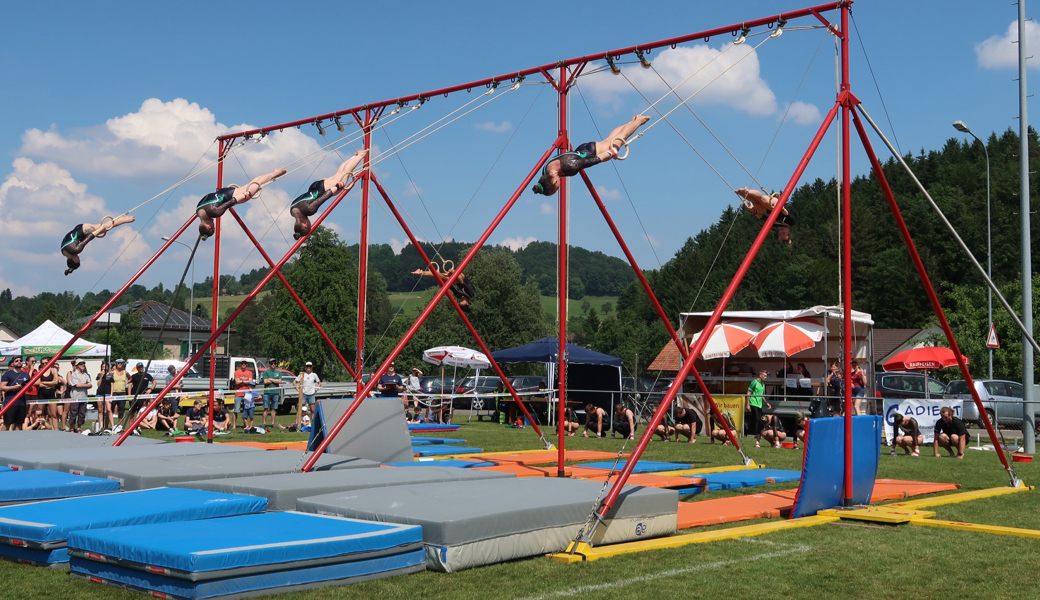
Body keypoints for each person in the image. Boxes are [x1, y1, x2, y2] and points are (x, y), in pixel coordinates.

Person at [532, 115, 651, 196]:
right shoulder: (545, 173)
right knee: (609, 139)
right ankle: (631, 123)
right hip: (581, 151)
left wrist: (611, 153)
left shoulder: (570, 166)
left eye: (557, 188)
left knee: (618, 140)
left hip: (590, 153)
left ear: (554, 182)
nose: (559, 186)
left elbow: (595, 160)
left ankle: (638, 121)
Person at [291, 150, 368, 239]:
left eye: (309, 224)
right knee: (339, 173)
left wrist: (338, 186)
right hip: (314, 186)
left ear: (305, 225)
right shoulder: (292, 211)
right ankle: (354, 157)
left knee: (345, 173)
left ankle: (360, 155)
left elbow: (325, 196)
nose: (309, 222)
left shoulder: (309, 210)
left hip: (323, 190)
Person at [196, 168, 287, 240]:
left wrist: (246, 195)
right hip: (222, 192)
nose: (214, 224)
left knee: (255, 186)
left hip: (230, 195)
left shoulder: (214, 212)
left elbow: (232, 201)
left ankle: (275, 173)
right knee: (252, 184)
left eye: (213, 226)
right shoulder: (198, 211)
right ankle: (273, 173)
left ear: (208, 227)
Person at [60, 215, 137, 275]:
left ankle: (126, 219)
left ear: (75, 261)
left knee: (107, 227)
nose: (79, 258)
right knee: (106, 227)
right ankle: (123, 219)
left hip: (84, 230)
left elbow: (90, 237)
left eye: (79, 260)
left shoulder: (75, 250)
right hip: (79, 229)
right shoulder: (64, 252)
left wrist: (101, 229)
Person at [412, 265, 477, 312]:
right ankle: (421, 273)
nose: (461, 299)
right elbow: (462, 282)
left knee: (438, 276)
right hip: (461, 277)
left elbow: (449, 286)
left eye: (460, 301)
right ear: (467, 303)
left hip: (455, 280)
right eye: (462, 301)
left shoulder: (458, 295)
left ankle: (421, 272)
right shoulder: (471, 293)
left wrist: (439, 281)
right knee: (443, 277)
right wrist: (454, 272)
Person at [0, 357, 31, 431]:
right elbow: (1, 387)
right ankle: (3, 436)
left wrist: (27, 387)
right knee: (7, 423)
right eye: (16, 361)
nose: (19, 362)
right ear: (13, 363)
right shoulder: (8, 374)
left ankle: (17, 437)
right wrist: (14, 387)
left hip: (21, 402)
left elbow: (30, 389)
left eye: (20, 360)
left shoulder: (26, 375)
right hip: (10, 402)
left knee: (19, 423)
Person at [36, 357, 63, 431]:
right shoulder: (40, 371)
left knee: (53, 414)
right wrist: (50, 384)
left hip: (51, 393)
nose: (45, 364)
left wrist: (44, 382)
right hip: (42, 393)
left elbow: (55, 382)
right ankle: (41, 428)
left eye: (46, 363)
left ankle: (56, 430)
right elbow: (38, 383)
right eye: (43, 363)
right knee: (40, 413)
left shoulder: (53, 370)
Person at [746, 370, 771, 447]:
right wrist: (748, 404)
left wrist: (766, 403)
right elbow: (749, 392)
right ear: (760, 375)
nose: (766, 377)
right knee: (757, 419)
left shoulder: (763, 383)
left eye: (766, 376)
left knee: (761, 419)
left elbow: (761, 394)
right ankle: (757, 435)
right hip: (753, 403)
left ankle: (758, 437)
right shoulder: (754, 382)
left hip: (759, 404)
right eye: (764, 376)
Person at [66, 359, 92, 433]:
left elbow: (90, 385)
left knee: (82, 413)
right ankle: (72, 428)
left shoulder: (85, 374)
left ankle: (79, 428)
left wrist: (83, 385)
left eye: (83, 363)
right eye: (81, 364)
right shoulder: (74, 374)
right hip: (75, 397)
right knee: (73, 413)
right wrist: (85, 385)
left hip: (84, 397)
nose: (83, 365)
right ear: (77, 366)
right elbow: (77, 385)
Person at [294, 362, 321, 428]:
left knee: (313, 410)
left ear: (311, 367)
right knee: (300, 409)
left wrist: (316, 389)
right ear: (305, 367)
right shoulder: (302, 374)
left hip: (311, 394)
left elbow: (319, 383)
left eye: (310, 366)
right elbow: (294, 382)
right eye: (307, 366)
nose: (308, 368)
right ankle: (297, 424)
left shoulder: (314, 375)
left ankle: (314, 425)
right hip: (303, 394)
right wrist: (298, 389)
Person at [260, 359, 283, 430]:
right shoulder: (266, 372)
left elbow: (280, 381)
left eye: (274, 363)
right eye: (271, 363)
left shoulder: (278, 372)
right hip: (267, 392)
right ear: (269, 364)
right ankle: (264, 423)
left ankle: (273, 423)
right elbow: (265, 381)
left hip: (275, 392)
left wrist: (271, 379)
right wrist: (275, 380)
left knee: (274, 409)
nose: (273, 364)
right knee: (265, 408)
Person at [231, 361, 253, 431]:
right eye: (242, 363)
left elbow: (250, 381)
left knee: (246, 409)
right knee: (236, 410)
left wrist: (242, 381)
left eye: (245, 363)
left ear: (247, 364)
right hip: (238, 393)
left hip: (247, 393)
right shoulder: (237, 372)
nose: (243, 365)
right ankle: (234, 424)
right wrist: (245, 382)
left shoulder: (249, 372)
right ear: (240, 364)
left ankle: (245, 424)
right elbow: (237, 382)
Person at [110, 358, 130, 423]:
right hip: (114, 392)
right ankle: (111, 425)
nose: (120, 364)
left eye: (121, 363)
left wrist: (126, 382)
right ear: (116, 364)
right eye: (118, 363)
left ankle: (120, 426)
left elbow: (130, 378)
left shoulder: (125, 372)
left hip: (122, 393)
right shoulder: (112, 372)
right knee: (111, 410)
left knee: (121, 411)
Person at [95, 360, 112, 430]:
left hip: (107, 393)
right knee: (100, 410)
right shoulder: (99, 375)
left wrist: (111, 395)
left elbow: (112, 385)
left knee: (108, 410)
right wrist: (101, 376)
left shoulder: (110, 375)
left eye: (105, 366)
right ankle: (101, 426)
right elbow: (98, 385)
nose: (104, 368)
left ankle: (109, 425)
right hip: (99, 393)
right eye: (103, 367)